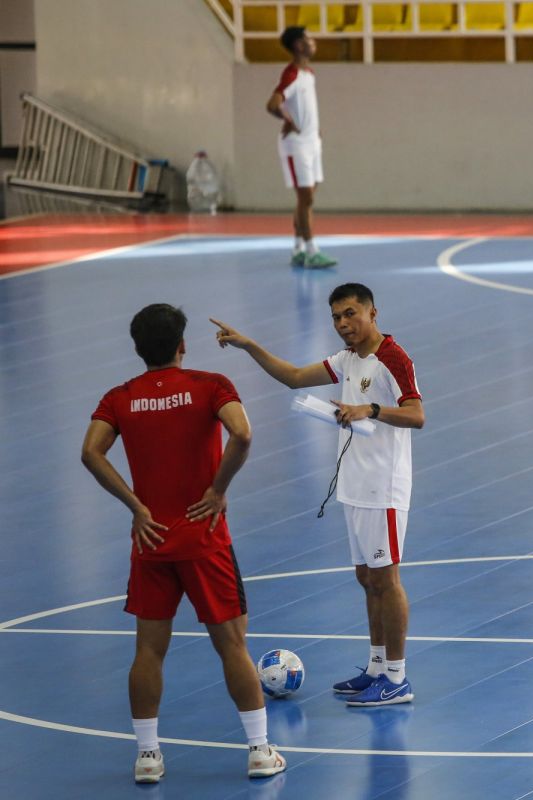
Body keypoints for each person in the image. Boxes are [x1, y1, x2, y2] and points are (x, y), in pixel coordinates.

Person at [81, 304, 286, 783]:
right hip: (205, 538)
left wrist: (135, 506)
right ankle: (259, 749)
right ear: (182, 345)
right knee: (232, 644)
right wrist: (218, 490)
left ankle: (148, 756)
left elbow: (90, 452)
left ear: (137, 349)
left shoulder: (119, 398)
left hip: (151, 540)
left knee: (148, 652)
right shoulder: (211, 386)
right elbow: (242, 433)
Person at [211, 283, 422, 705]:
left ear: (372, 312)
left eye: (350, 314)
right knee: (367, 579)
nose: (343, 324)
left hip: (383, 486)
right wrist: (250, 345)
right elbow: (292, 376)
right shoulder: (346, 360)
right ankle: (377, 667)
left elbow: (417, 414)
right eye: (336, 318)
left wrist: (371, 410)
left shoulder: (392, 358)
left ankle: (397, 678)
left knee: (387, 579)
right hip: (355, 483)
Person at [267, 26, 337, 269]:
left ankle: (298, 248)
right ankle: (311, 251)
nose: (313, 41)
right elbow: (273, 104)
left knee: (307, 200)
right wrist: (289, 121)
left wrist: (314, 128)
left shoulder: (309, 73)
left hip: (312, 143)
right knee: (304, 199)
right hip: (295, 146)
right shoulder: (292, 73)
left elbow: (304, 107)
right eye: (308, 38)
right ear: (298, 45)